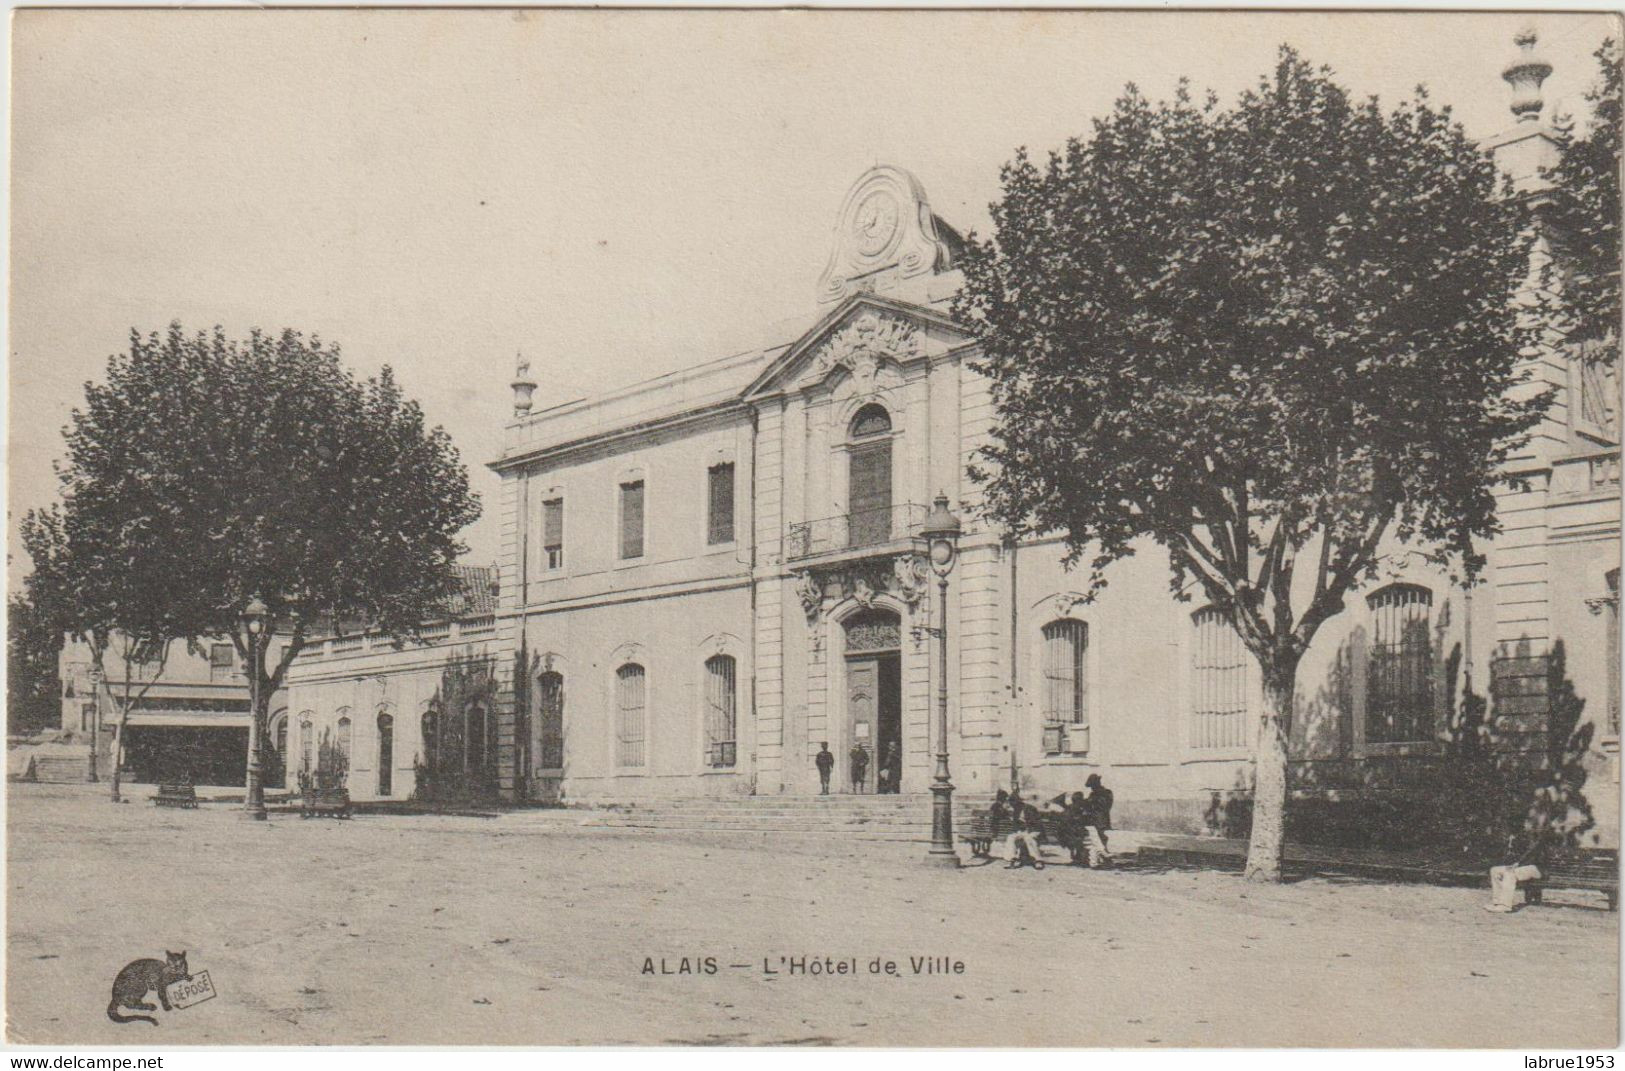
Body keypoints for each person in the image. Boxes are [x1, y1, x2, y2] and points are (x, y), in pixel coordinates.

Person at [1082, 773, 1114, 867]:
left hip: (1101, 819)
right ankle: (1095, 861)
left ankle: (1100, 860)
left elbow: (1106, 805)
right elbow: (1088, 805)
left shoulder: (1106, 793)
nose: (1091, 788)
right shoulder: (1093, 794)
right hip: (1093, 819)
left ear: (1097, 784)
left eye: (1092, 786)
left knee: (1100, 839)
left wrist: (1091, 803)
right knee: (1096, 840)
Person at [1004, 794, 1044, 869]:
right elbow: (1016, 825)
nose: (1012, 806)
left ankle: (1038, 860)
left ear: (1019, 802)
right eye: (1011, 804)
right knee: (1011, 837)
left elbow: (1036, 824)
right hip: (1023, 832)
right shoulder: (1016, 810)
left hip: (1034, 831)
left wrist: (1026, 832)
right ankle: (1012, 859)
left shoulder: (1030, 808)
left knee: (1028, 838)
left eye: (1014, 804)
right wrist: (1018, 832)